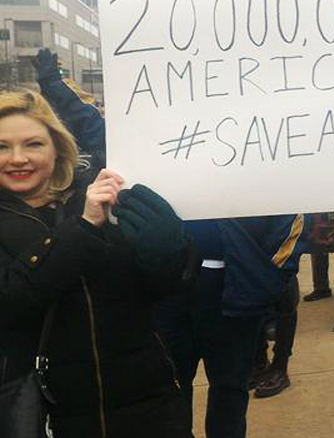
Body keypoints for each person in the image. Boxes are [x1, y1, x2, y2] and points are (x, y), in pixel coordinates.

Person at [31, 49, 308, 438]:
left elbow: (293, 212)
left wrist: (270, 276)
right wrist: (54, 84)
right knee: (170, 386)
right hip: (166, 288)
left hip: (234, 293)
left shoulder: (266, 139)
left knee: (230, 388)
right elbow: (92, 124)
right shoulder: (154, 132)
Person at [0, 89, 192, 438]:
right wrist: (84, 228)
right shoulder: (91, 212)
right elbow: (12, 298)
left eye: (33, 144)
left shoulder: (103, 198)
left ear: (57, 149)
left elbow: (160, 290)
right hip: (48, 414)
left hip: (148, 403)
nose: (17, 158)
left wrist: (166, 252)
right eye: (2, 147)